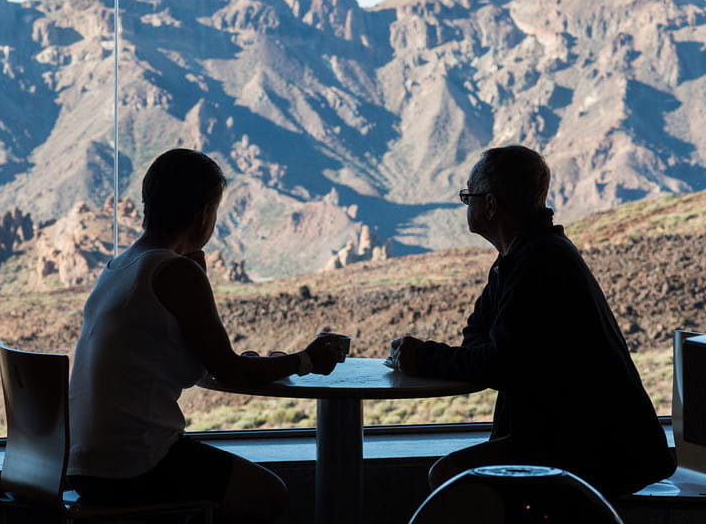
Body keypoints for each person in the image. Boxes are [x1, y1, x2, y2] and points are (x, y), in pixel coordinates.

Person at [67, 148, 342, 523]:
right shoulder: (174, 273)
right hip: (134, 462)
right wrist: (307, 360)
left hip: (83, 463)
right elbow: (229, 372)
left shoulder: (118, 267)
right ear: (203, 215)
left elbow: (197, 359)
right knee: (269, 495)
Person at [388, 145, 674, 496]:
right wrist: (488, 357)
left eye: (469, 196)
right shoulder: (523, 256)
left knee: (450, 476)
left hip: (594, 446)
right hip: (576, 436)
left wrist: (424, 357)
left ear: (491, 204)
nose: (467, 204)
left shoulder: (538, 262)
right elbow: (479, 339)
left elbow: (497, 363)